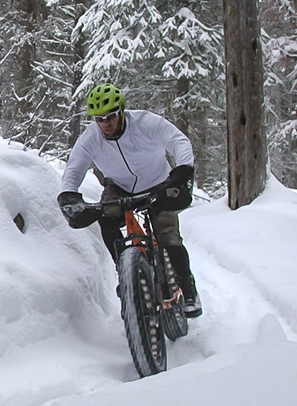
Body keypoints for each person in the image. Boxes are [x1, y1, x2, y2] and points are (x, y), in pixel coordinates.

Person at [57, 83, 202, 318]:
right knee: (106, 218)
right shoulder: (91, 138)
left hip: (159, 183)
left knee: (167, 236)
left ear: (122, 111)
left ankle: (188, 288)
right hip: (120, 187)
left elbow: (179, 141)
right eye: (99, 119)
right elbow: (74, 167)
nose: (106, 123)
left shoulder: (145, 123)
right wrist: (68, 195)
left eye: (111, 116)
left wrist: (183, 172)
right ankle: (125, 270)